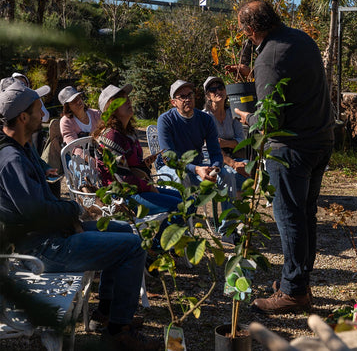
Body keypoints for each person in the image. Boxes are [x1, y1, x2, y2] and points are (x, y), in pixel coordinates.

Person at [0, 80, 161, 350]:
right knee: (133, 247)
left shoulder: (23, 148)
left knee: (124, 230)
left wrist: (73, 219)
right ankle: (118, 330)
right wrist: (75, 210)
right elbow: (36, 214)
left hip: (51, 236)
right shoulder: (11, 159)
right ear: (23, 117)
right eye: (39, 109)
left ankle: (105, 314)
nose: (44, 114)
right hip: (41, 250)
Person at [234, 0, 334, 314]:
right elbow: (293, 83)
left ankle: (294, 292)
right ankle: (298, 281)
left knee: (289, 217)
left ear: (251, 29)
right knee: (306, 215)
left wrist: (245, 118)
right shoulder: (302, 39)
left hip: (291, 149)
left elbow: (268, 121)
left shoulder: (269, 57)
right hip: (321, 140)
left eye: (245, 31)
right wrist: (255, 71)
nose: (246, 37)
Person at [156, 79, 240, 245]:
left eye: (190, 95)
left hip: (199, 168)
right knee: (181, 180)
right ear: (173, 102)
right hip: (171, 168)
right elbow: (169, 157)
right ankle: (184, 232)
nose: (187, 99)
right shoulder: (165, 120)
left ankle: (228, 230)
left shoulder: (205, 119)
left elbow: (215, 151)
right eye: (182, 97)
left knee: (228, 175)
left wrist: (215, 168)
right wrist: (196, 169)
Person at [94, 84, 183, 216]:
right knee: (181, 205)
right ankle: (161, 237)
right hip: (121, 197)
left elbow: (130, 167)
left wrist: (143, 164)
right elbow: (122, 178)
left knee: (189, 200)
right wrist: (150, 188)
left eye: (128, 98)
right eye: (122, 100)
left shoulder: (127, 132)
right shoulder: (111, 136)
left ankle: (161, 235)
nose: (129, 101)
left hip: (136, 190)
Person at [203, 76, 248, 196]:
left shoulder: (232, 112)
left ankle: (238, 205)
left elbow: (241, 140)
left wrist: (224, 143)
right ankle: (231, 210)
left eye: (220, 87)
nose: (218, 91)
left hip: (233, 154)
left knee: (247, 166)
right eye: (213, 90)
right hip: (210, 159)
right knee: (228, 172)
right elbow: (210, 147)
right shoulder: (204, 117)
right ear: (208, 96)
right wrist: (233, 163)